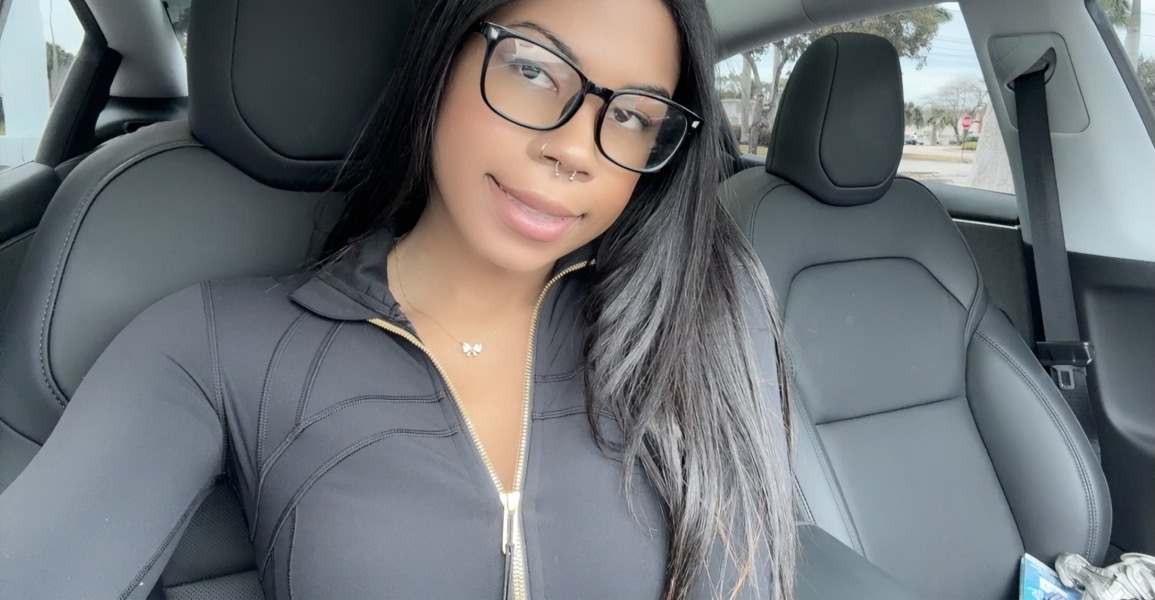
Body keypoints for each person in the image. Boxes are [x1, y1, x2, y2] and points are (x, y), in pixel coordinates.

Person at [0, 0, 796, 597]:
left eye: (629, 116)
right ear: (441, 56)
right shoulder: (213, 343)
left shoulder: (699, 315)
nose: (574, 150)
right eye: (531, 69)